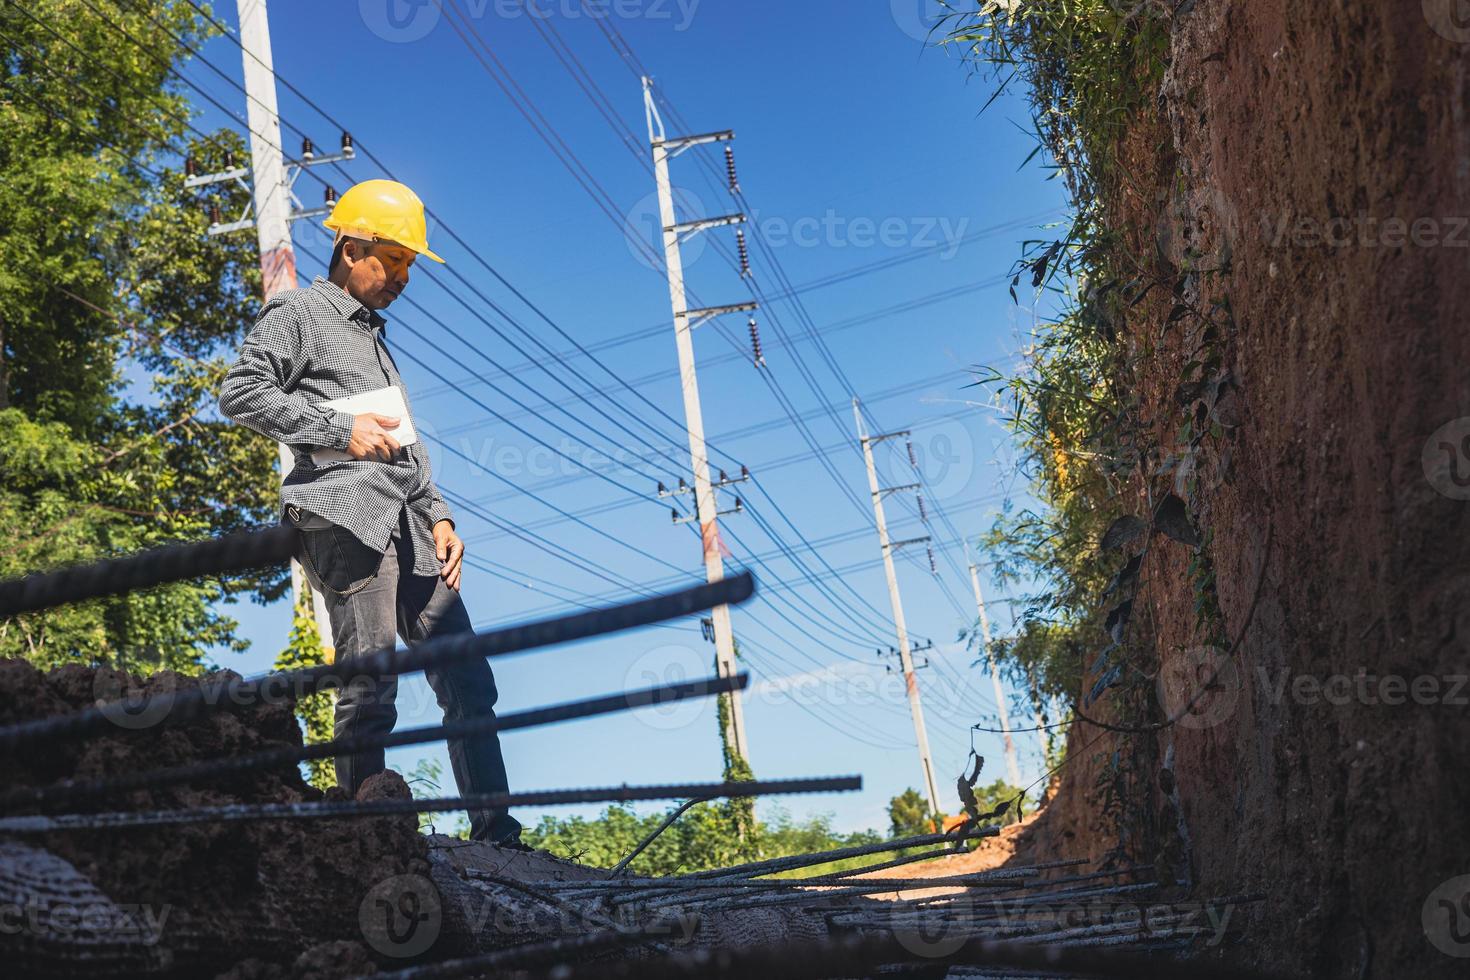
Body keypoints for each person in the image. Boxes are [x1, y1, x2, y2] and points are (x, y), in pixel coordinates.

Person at [219, 179, 523, 847]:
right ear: (350, 249)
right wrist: (337, 428)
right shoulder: (296, 313)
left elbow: (402, 442)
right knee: (370, 685)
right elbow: (239, 393)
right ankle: (366, 838)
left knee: (467, 674)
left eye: (411, 264)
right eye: (393, 259)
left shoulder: (373, 339)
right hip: (343, 516)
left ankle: (498, 834)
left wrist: (439, 514)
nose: (404, 277)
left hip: (409, 524)